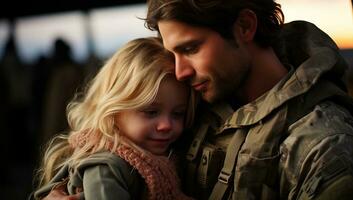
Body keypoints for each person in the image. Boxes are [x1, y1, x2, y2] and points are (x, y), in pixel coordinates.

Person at [43, 0, 353, 199]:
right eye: (173, 53)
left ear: (244, 27)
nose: (179, 73)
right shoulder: (188, 101)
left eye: (190, 49)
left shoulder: (324, 145)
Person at [32, 37, 196, 200]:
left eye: (178, 113)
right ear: (114, 110)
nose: (166, 125)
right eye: (151, 112)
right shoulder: (105, 168)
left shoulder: (160, 159)